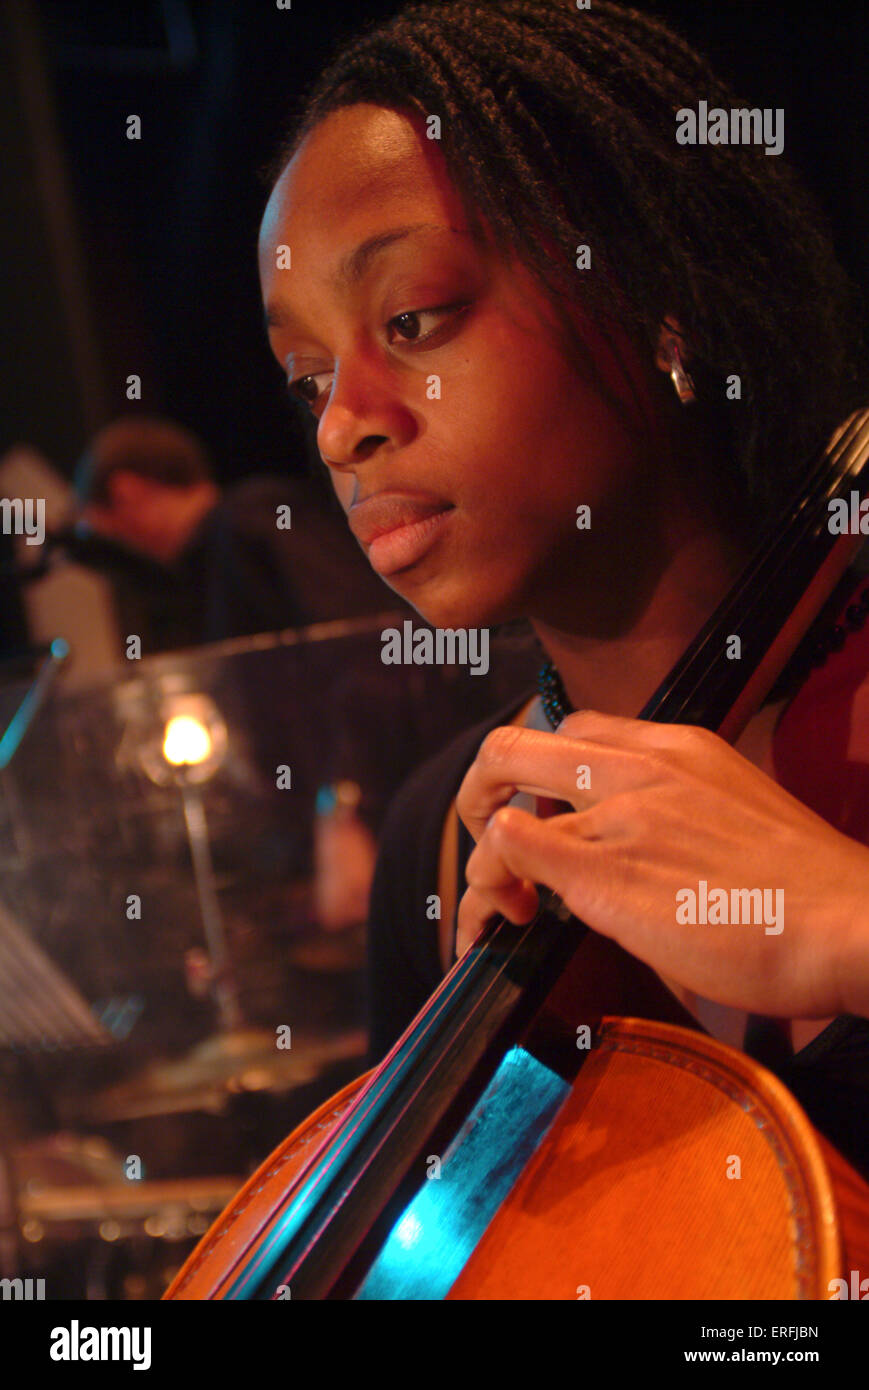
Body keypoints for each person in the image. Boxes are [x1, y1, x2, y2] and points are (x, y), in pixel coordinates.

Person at [257, 0, 869, 1173]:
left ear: (655, 299)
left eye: (414, 319)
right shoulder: (440, 845)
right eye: (306, 377)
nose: (342, 427)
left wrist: (845, 919)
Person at [74, 415, 397, 649]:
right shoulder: (225, 541)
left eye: (106, 531)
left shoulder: (248, 521)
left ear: (126, 493)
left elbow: (361, 628)